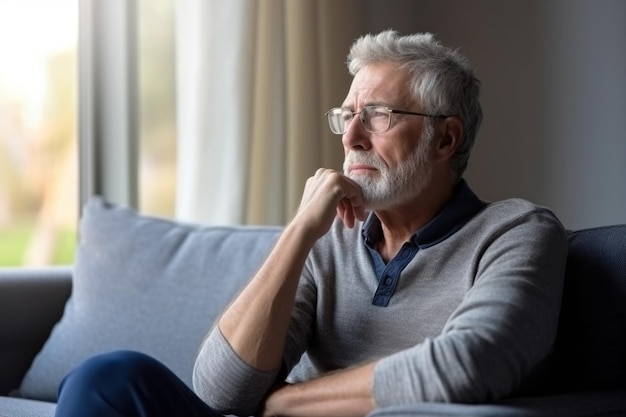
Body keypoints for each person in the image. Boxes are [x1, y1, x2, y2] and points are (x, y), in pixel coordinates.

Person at [55, 30, 568, 417]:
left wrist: (286, 402)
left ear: (445, 139)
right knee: (106, 379)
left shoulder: (515, 232)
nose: (351, 139)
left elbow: (467, 367)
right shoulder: (330, 239)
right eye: (347, 117)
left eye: (379, 115)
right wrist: (300, 230)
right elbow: (220, 388)